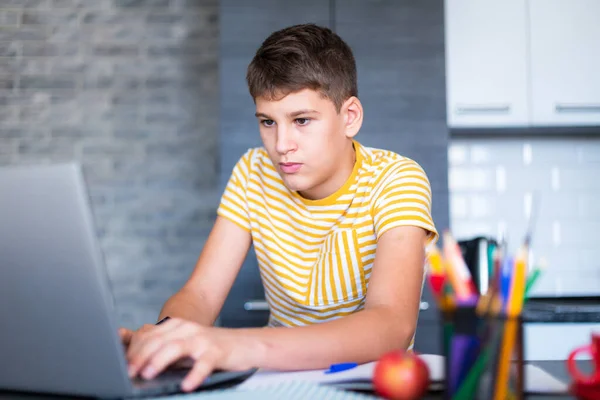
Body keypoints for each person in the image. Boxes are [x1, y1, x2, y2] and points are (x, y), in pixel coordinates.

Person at [120, 23, 438, 392]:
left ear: (349, 117)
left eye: (301, 121)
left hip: (370, 384)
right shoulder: (253, 171)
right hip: (276, 383)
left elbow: (391, 325)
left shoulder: (397, 179)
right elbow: (201, 294)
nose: (281, 144)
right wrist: (168, 338)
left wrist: (237, 345)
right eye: (268, 122)